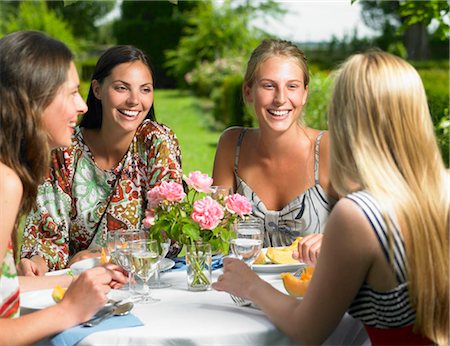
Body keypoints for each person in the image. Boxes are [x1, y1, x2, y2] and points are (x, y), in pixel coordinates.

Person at [213, 50, 449, 345]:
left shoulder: (359, 214)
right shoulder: (442, 189)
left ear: (345, 114)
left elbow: (307, 330)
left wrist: (251, 286)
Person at [0, 30, 128, 344]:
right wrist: (69, 311)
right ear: (35, 99)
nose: (83, 106)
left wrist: (79, 280)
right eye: (71, 93)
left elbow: (5, 288)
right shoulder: (5, 182)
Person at [18, 45, 182, 275]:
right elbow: (47, 236)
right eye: (121, 88)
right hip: (74, 283)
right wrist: (36, 263)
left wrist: (103, 253)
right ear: (97, 89)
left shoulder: (156, 142)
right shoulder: (64, 149)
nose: (135, 100)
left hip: (141, 280)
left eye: (145, 90)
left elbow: (169, 234)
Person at [212, 39, 338, 263]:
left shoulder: (329, 148)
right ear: (248, 91)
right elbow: (214, 234)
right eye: (269, 86)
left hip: (312, 290)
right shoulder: (232, 145)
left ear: (305, 93)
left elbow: (369, 226)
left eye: (292, 86)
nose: (280, 99)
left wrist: (331, 240)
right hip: (243, 290)